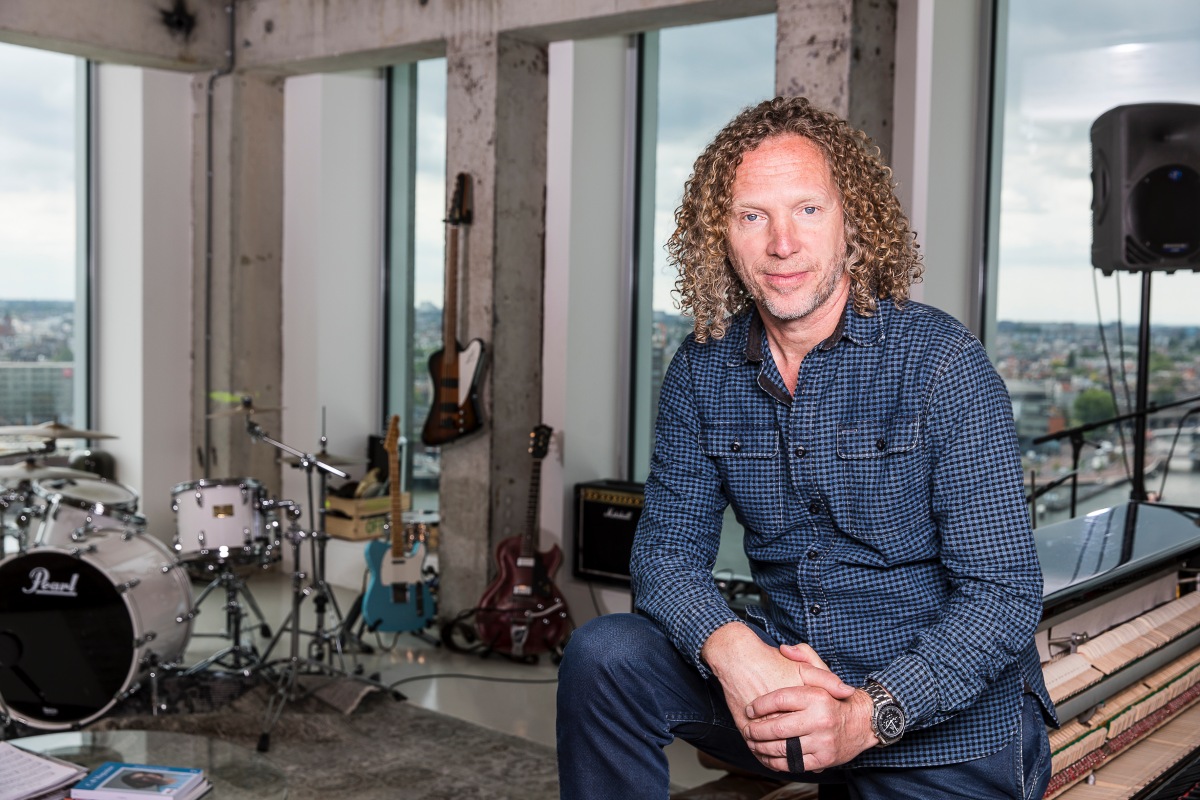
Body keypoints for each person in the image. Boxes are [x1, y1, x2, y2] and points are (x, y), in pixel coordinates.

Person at [556, 96, 1057, 799]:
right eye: (752, 216)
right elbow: (664, 557)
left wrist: (862, 716)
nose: (782, 243)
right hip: (787, 684)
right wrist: (737, 654)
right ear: (720, 234)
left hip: (938, 726)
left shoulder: (942, 364)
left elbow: (1002, 595)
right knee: (604, 655)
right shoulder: (701, 370)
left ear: (853, 222)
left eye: (808, 209)